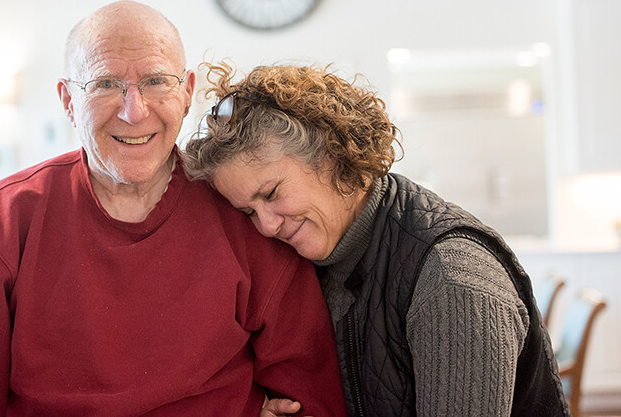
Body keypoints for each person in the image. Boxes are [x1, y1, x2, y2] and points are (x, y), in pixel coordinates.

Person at [0, 2, 347, 416]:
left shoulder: (247, 214)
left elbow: (309, 394)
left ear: (187, 92)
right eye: (105, 84)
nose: (134, 110)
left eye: (157, 81)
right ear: (67, 100)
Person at [184, 61, 570, 416]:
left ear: (330, 153)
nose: (266, 226)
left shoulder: (451, 281)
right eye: (249, 212)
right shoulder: (325, 254)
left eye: (271, 194)